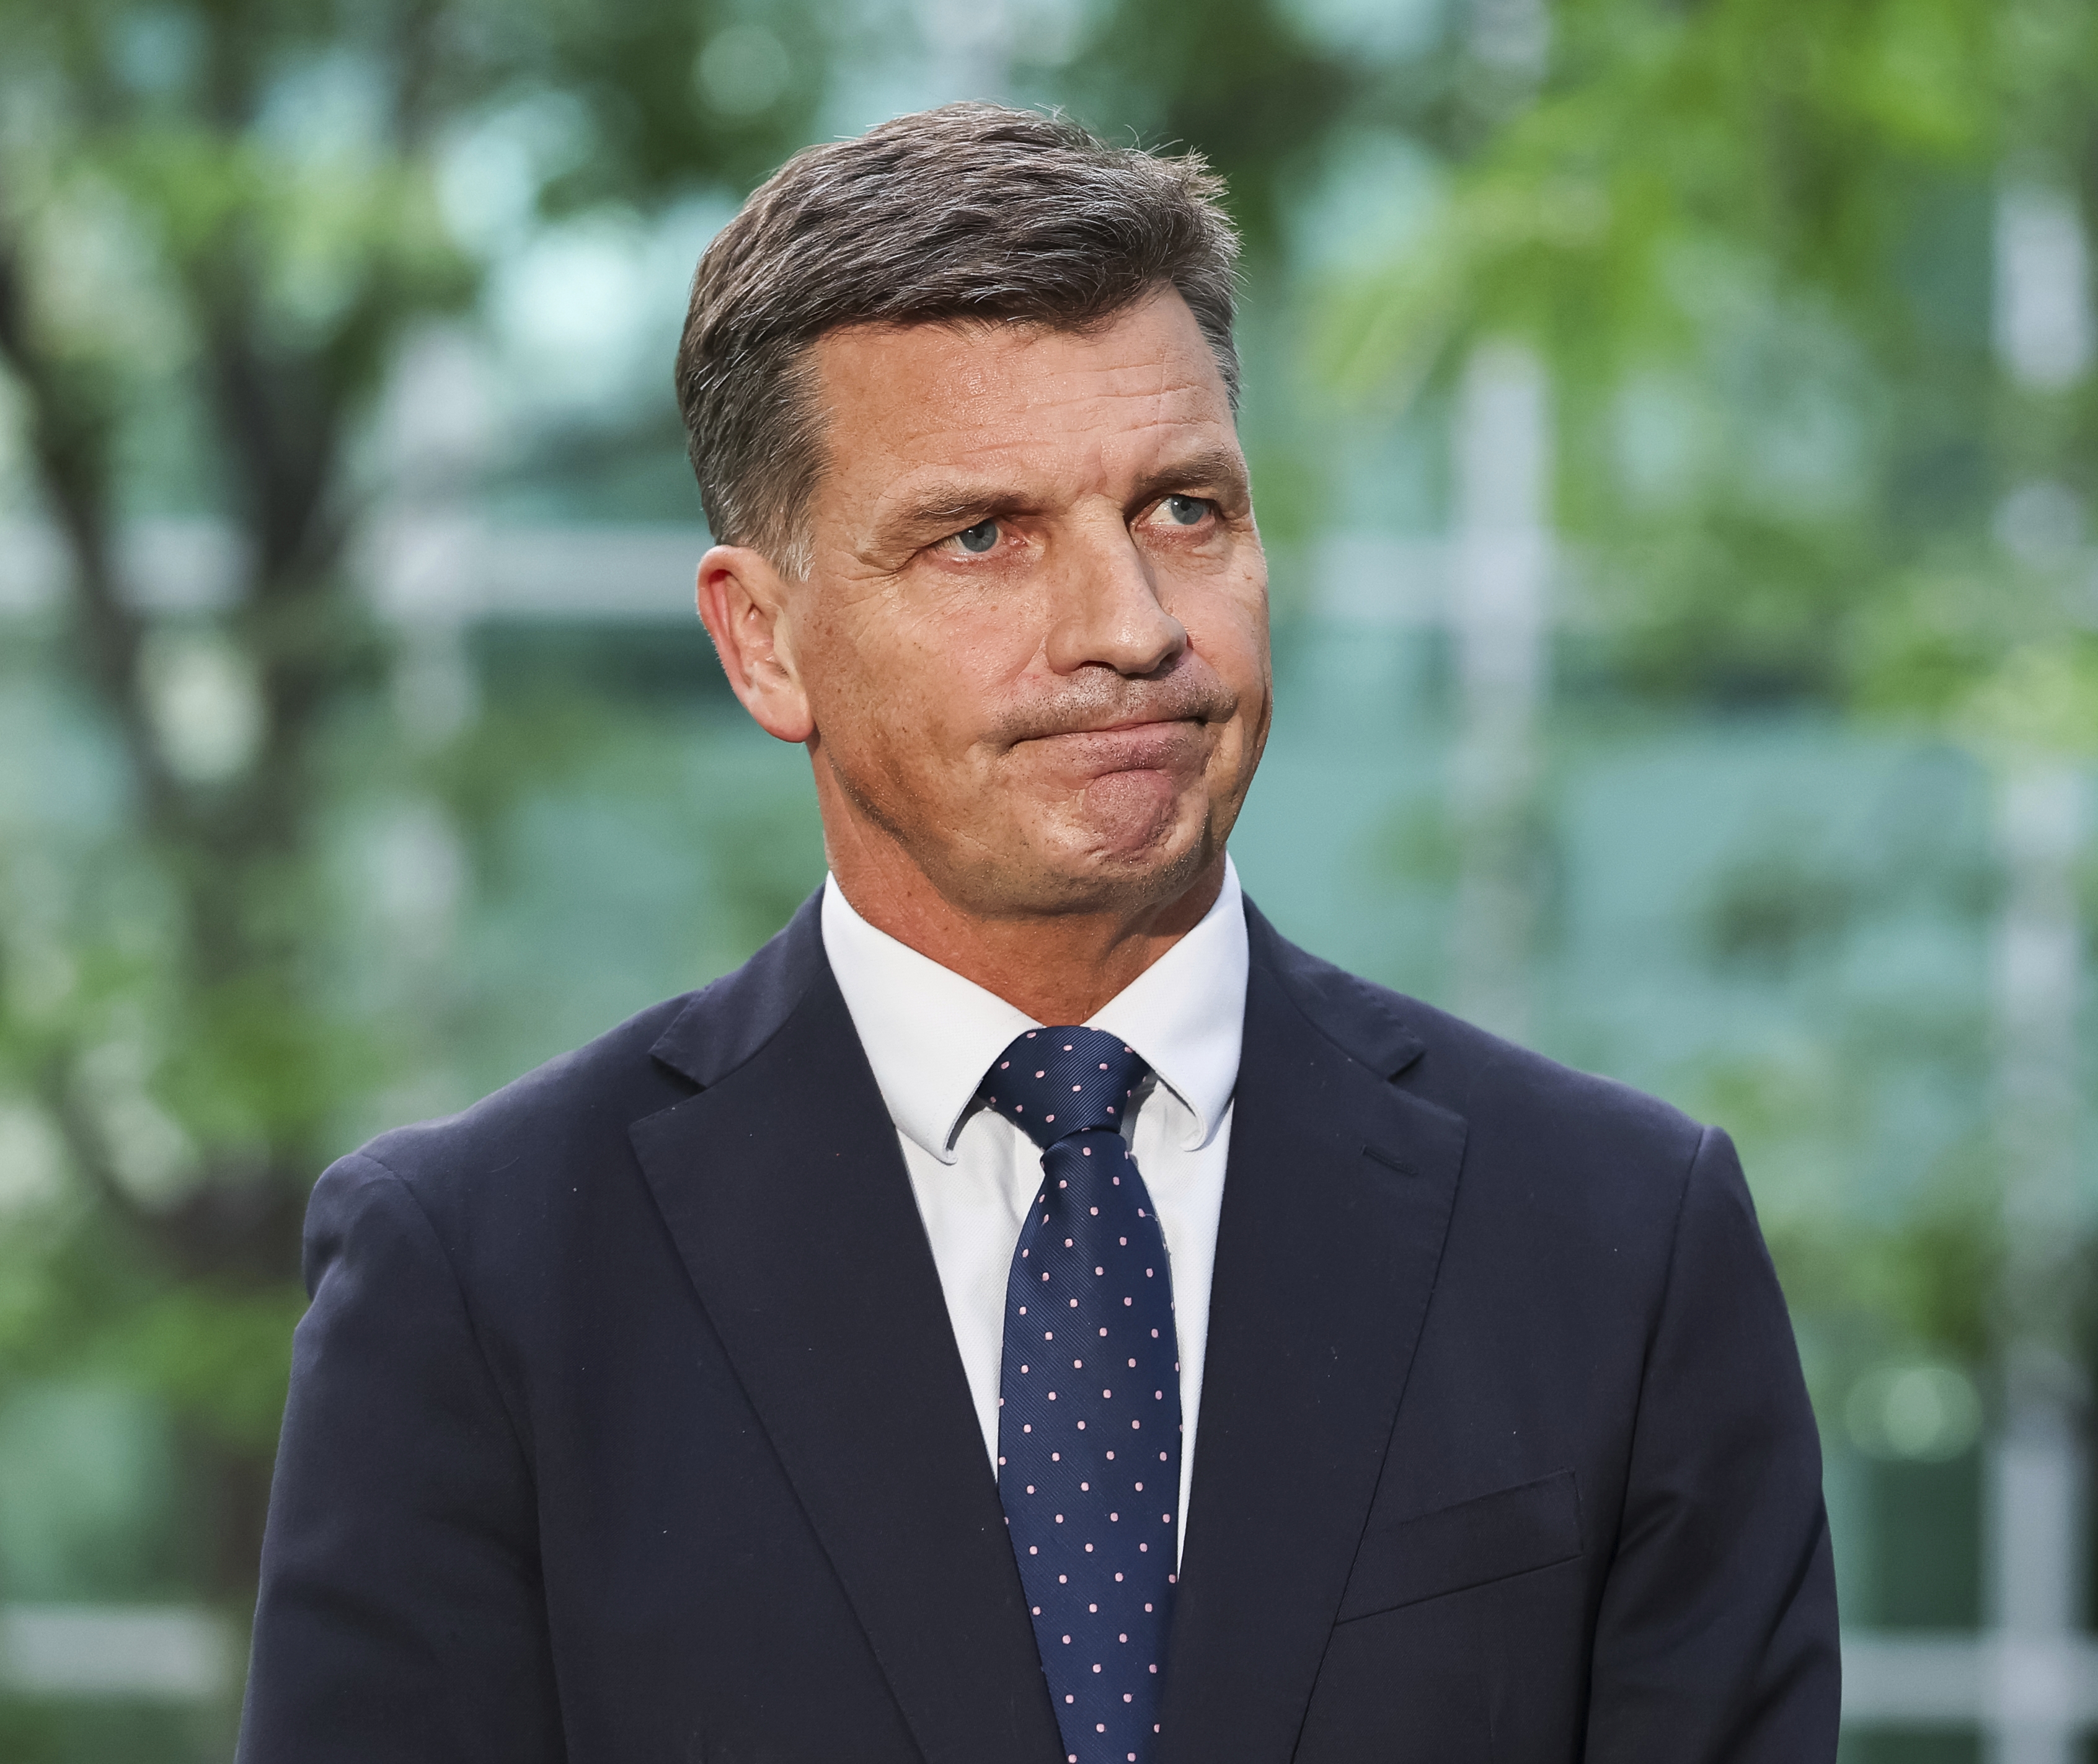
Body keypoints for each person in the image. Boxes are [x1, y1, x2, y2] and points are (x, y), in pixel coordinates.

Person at [238, 102, 1838, 1764]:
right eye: (983, 537)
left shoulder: (1616, 1246)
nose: (1131, 630)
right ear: (763, 642)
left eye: (1183, 513)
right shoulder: (481, 1283)